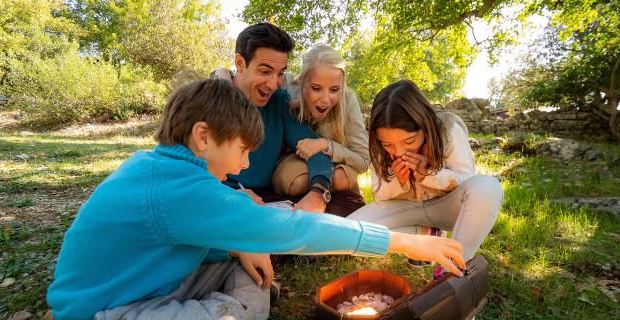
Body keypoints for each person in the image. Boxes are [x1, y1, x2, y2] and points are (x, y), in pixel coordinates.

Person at [46, 79, 466, 320]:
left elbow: (184, 232)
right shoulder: (180, 188)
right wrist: (406, 242)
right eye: (243, 150)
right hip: (107, 309)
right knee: (248, 306)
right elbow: (297, 230)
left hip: (157, 279)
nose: (243, 165)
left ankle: (234, 288)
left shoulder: (159, 167)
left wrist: (238, 241)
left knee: (256, 246)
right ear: (203, 136)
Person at [348, 80, 502, 279]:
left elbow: (467, 179)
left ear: (425, 125)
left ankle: (451, 269)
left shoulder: (447, 128)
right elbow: (379, 194)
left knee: (488, 187)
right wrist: (398, 180)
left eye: (409, 141)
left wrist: (428, 175)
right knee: (350, 234)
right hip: (407, 209)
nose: (399, 152)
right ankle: (426, 235)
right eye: (388, 144)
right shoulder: (379, 147)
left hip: (448, 208)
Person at [215, 23, 364, 217]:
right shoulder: (210, 100)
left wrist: (318, 192)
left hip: (267, 198)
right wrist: (231, 195)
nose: (273, 83)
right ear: (240, 63)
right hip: (220, 195)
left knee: (346, 208)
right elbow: (188, 172)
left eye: (280, 73)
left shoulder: (278, 101)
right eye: (265, 71)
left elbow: (315, 151)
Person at [270, 44, 369, 203]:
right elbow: (249, 75)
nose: (325, 99)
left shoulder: (348, 101)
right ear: (301, 82)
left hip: (336, 161)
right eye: (316, 88)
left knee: (340, 178)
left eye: (334, 89)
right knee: (300, 182)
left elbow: (364, 162)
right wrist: (222, 73)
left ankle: (340, 203)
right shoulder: (287, 88)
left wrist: (326, 145)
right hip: (295, 160)